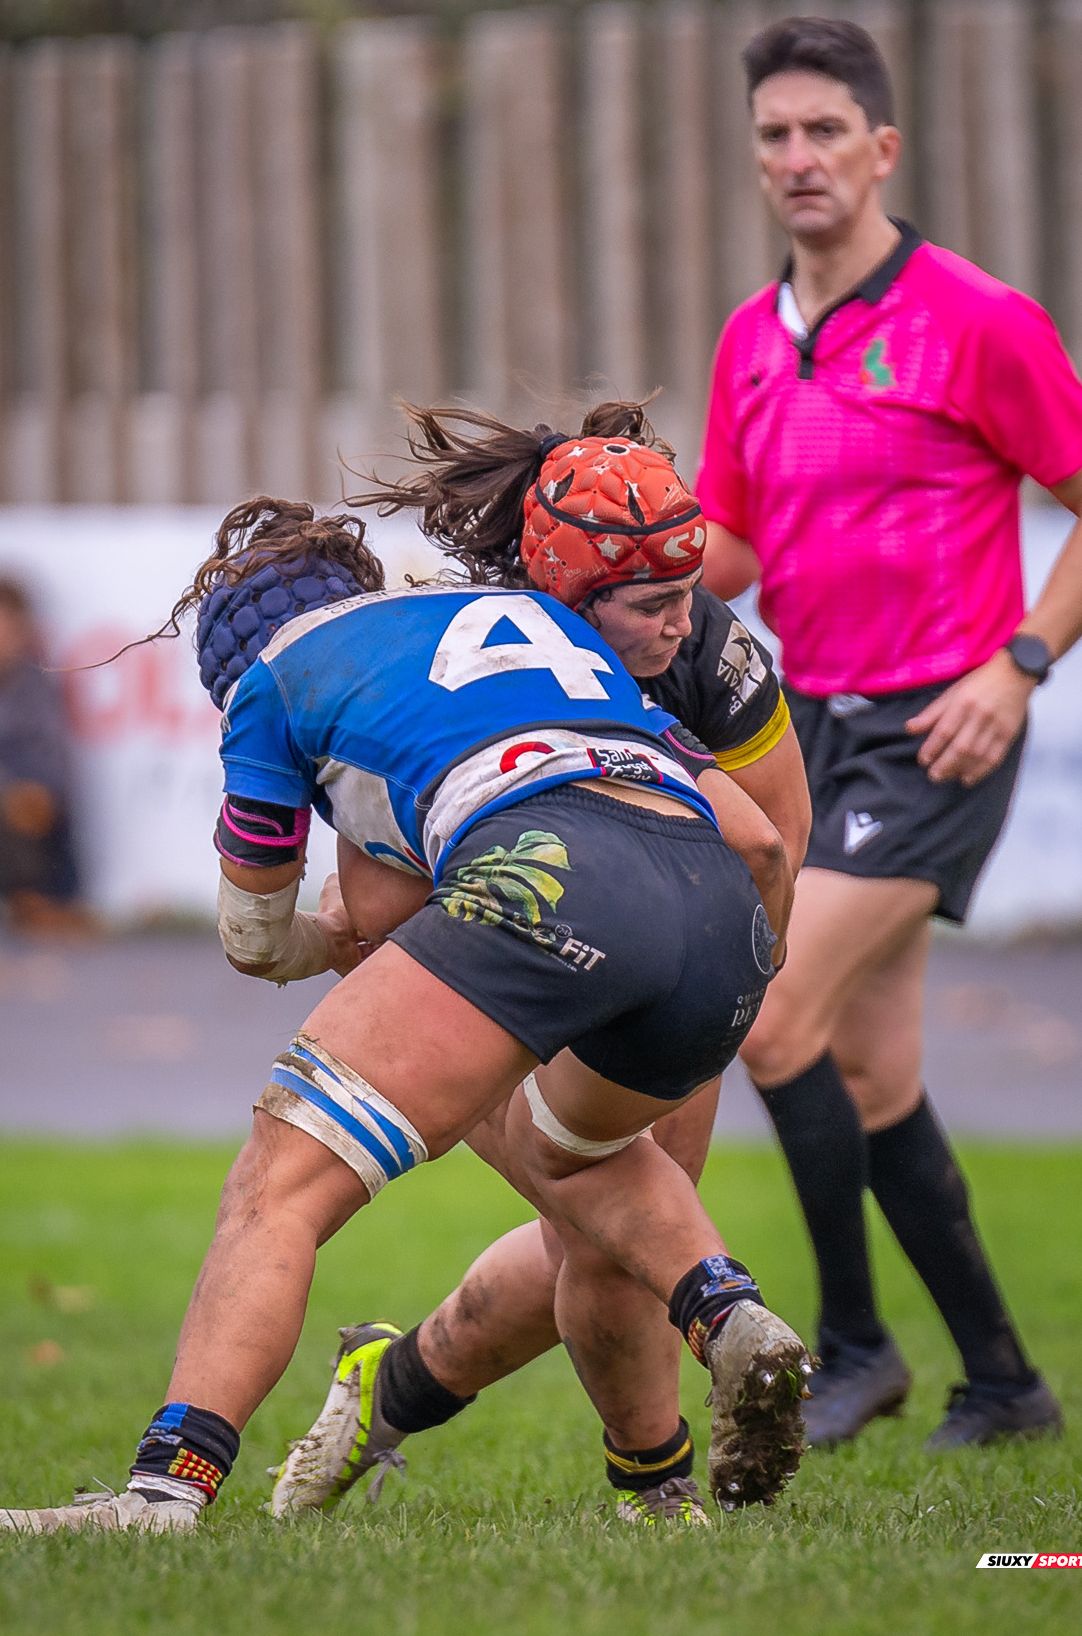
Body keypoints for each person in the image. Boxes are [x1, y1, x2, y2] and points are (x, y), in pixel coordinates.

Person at [0, 493, 811, 1537]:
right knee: (580, 1158)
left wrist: (332, 947)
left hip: (551, 873)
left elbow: (260, 937)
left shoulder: (275, 680)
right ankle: (729, 1320)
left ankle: (162, 1491)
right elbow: (762, 838)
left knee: (283, 1174)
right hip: (718, 910)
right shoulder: (529, 618)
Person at [694, 15, 1082, 1448]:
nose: (798, 157)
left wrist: (1018, 668)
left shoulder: (977, 317)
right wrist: (595, 560)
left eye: (826, 129)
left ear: (884, 149)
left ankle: (853, 1349)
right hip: (805, 736)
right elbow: (731, 546)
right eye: (776, 133)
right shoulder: (751, 340)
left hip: (939, 731)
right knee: (872, 1072)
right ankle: (1005, 1384)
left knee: (771, 1015)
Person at [270, 397, 812, 1524]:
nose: (679, 624)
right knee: (614, 1226)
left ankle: (390, 1387)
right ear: (563, 598)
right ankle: (654, 1494)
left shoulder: (711, 645)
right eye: (651, 605)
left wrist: (725, 987)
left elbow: (779, 832)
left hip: (676, 945)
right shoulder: (466, 645)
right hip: (498, 952)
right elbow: (372, 903)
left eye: (686, 597)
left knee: (613, 1233)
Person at [0, 575, 87, 931]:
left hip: (22, 829)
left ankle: (11, 895)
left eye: (0, 627)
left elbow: (51, 785)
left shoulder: (36, 689)